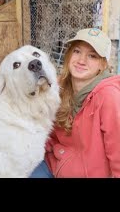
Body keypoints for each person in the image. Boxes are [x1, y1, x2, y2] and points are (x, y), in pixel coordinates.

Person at [30, 28, 120, 178]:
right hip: (54, 164)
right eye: (77, 51)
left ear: (102, 65)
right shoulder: (58, 86)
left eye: (92, 56)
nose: (81, 61)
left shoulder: (108, 96)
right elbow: (45, 132)